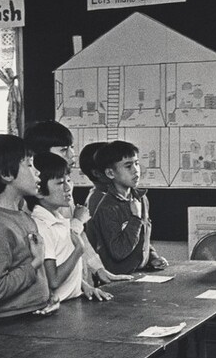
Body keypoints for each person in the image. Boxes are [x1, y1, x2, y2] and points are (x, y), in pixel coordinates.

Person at [24, 122, 130, 286]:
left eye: (71, 147)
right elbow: (53, 251)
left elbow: (78, 236)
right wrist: (78, 222)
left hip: (73, 284)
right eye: (64, 149)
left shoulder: (62, 189)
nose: (72, 154)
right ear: (42, 154)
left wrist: (99, 270)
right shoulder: (35, 196)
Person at [0, 134, 52, 326]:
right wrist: (36, 263)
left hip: (32, 316)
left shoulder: (23, 216)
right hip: (10, 324)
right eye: (29, 164)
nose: (38, 172)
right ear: (6, 173)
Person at [27, 152, 113, 304]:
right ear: (39, 191)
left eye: (68, 180)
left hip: (72, 301)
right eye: (60, 183)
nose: (68, 188)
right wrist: (78, 250)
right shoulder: (42, 225)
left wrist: (84, 286)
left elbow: (63, 261)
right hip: (57, 309)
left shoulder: (60, 219)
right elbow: (53, 280)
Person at [89, 140, 168, 275]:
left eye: (136, 163)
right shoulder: (107, 208)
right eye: (128, 166)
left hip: (139, 274)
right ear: (110, 173)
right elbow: (119, 252)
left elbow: (141, 237)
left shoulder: (140, 198)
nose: (136, 170)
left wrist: (152, 257)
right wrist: (135, 218)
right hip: (117, 280)